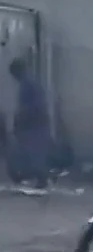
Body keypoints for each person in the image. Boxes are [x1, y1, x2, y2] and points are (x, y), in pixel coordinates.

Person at [8, 59, 51, 190]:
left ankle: (39, 178)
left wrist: (19, 120)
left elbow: (27, 107)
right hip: (35, 122)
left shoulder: (27, 84)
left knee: (33, 151)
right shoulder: (30, 83)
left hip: (32, 124)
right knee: (33, 152)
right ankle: (36, 177)